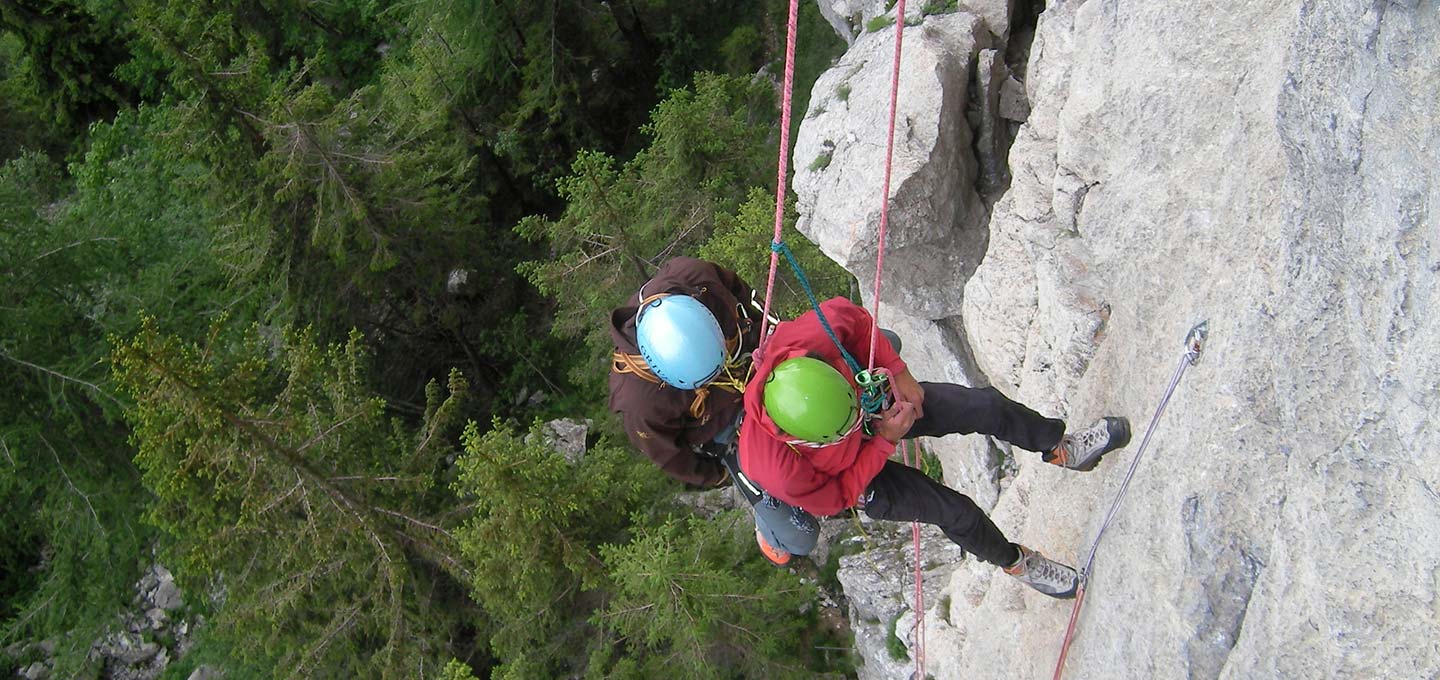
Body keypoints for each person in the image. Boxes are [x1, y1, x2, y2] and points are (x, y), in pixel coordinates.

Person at [738, 296, 1131, 598]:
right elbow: (837, 497)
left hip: (872, 406)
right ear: (802, 439)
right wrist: (885, 441)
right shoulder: (777, 468)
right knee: (953, 511)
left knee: (983, 406)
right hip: (854, 474)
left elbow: (854, 319)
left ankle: (1060, 447)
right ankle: (1017, 563)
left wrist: (899, 372)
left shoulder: (804, 342)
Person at [608, 257, 818, 566]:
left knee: (876, 348)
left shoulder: (697, 279)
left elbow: (745, 298)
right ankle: (768, 526)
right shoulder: (641, 403)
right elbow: (671, 455)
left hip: (758, 367)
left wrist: (773, 338)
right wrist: (721, 474)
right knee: (801, 537)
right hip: (728, 429)